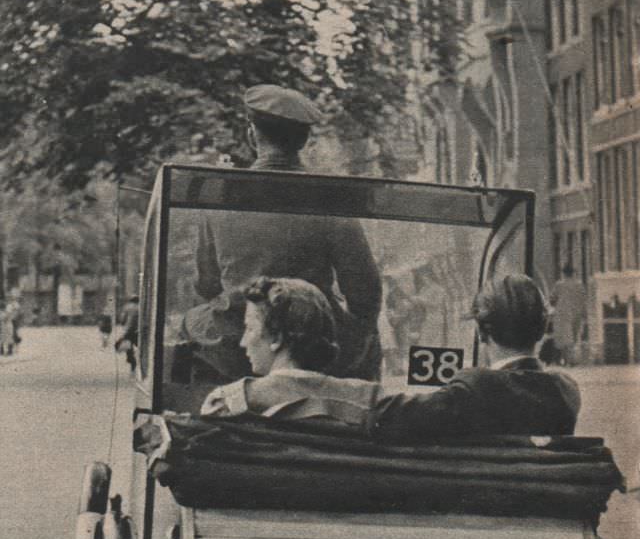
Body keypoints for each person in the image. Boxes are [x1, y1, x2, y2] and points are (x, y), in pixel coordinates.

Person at [210, 274, 581, 441]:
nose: (244, 340)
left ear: (482, 333)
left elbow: (385, 418)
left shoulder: (472, 390)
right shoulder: (566, 393)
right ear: (540, 330)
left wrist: (272, 391)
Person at [183, 83, 382, 383]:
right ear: (304, 140)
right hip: (312, 349)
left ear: (252, 135)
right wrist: (351, 345)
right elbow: (365, 295)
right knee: (367, 340)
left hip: (234, 347)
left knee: (190, 326)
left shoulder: (220, 199)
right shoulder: (330, 200)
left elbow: (206, 285)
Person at [200, 277, 379, 425]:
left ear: (277, 339)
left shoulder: (228, 403)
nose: (243, 342)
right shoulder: (372, 399)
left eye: (250, 329)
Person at [550, 263, 587, 366]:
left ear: (564, 273)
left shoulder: (559, 285)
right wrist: (584, 313)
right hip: (576, 313)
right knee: (574, 338)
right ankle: (572, 360)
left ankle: (566, 360)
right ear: (573, 273)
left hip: (563, 314)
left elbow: (552, 299)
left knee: (565, 338)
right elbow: (584, 300)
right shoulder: (579, 285)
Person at [115, 294, 139, 374]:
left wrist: (123, 324)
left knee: (129, 348)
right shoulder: (140, 307)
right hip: (138, 331)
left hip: (128, 330)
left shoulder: (127, 307)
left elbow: (122, 319)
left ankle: (132, 365)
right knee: (141, 346)